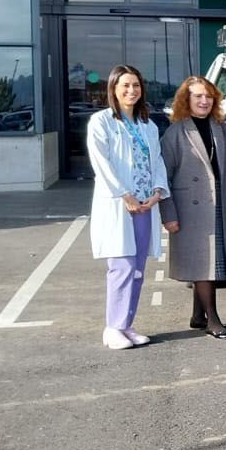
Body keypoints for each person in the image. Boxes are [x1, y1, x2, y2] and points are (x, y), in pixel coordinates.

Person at [86, 64, 170, 349]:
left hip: (146, 205)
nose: (131, 90)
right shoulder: (102, 122)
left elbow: (156, 160)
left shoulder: (147, 125)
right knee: (121, 266)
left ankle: (126, 324)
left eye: (136, 85)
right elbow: (102, 163)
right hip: (121, 206)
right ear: (113, 89)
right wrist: (125, 195)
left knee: (137, 268)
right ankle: (112, 327)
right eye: (125, 86)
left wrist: (158, 191)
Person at [160, 76, 226, 340]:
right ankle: (213, 319)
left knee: (210, 262)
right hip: (189, 208)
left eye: (208, 96)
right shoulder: (176, 132)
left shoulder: (220, 127)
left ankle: (198, 315)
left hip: (219, 201)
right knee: (203, 263)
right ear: (186, 100)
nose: (204, 101)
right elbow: (164, 177)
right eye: (198, 96)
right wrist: (168, 214)